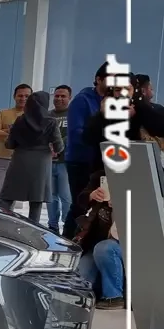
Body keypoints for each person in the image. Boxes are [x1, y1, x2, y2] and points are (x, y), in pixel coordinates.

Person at [0, 90, 61, 225]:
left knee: (7, 197)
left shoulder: (20, 120)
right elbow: (59, 147)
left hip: (19, 162)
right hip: (41, 165)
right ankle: (32, 230)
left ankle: (0, 225)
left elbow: (10, 144)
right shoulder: (51, 122)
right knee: (36, 201)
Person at [62, 62, 108, 236]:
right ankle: (68, 239)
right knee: (80, 203)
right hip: (80, 161)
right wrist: (99, 139)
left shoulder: (111, 101)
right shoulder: (82, 100)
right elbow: (76, 134)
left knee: (97, 203)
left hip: (100, 160)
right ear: (99, 79)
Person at [73, 172, 123, 310]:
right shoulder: (100, 176)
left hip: (123, 244)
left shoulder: (145, 179)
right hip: (96, 242)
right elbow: (80, 200)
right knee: (80, 284)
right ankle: (99, 291)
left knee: (104, 248)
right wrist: (92, 195)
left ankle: (114, 297)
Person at [0, 83, 32, 205]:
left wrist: (8, 131)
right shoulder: (2, 113)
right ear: (14, 96)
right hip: (1, 160)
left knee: (11, 198)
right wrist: (15, 134)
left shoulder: (34, 117)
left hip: (22, 161)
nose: (23, 98)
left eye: (27, 96)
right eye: (20, 95)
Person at [47, 85, 72, 234]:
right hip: (48, 162)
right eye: (57, 96)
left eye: (63, 96)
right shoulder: (48, 115)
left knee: (66, 197)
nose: (59, 99)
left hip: (65, 163)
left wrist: (58, 146)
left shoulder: (72, 114)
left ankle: (68, 227)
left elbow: (74, 134)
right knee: (50, 197)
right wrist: (49, 147)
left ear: (69, 98)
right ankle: (52, 226)